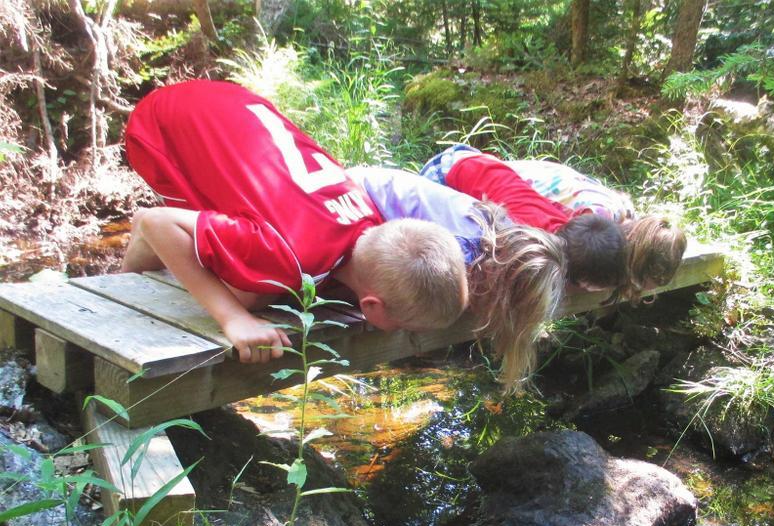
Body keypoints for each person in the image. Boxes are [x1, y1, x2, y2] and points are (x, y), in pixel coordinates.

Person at [121, 80, 467, 365]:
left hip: (230, 105)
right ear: (371, 306)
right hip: (166, 125)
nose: (408, 334)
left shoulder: (370, 219)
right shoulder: (285, 257)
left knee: (264, 283)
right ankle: (123, 283)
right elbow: (158, 221)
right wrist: (232, 319)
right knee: (246, 294)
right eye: (406, 327)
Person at [346, 165, 566, 390]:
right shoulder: (463, 253)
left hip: (365, 190)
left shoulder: (503, 246)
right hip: (354, 197)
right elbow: (411, 271)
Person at [422, 146, 687, 303]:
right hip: (450, 172)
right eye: (637, 284)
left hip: (492, 177)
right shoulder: (587, 222)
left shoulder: (595, 230)